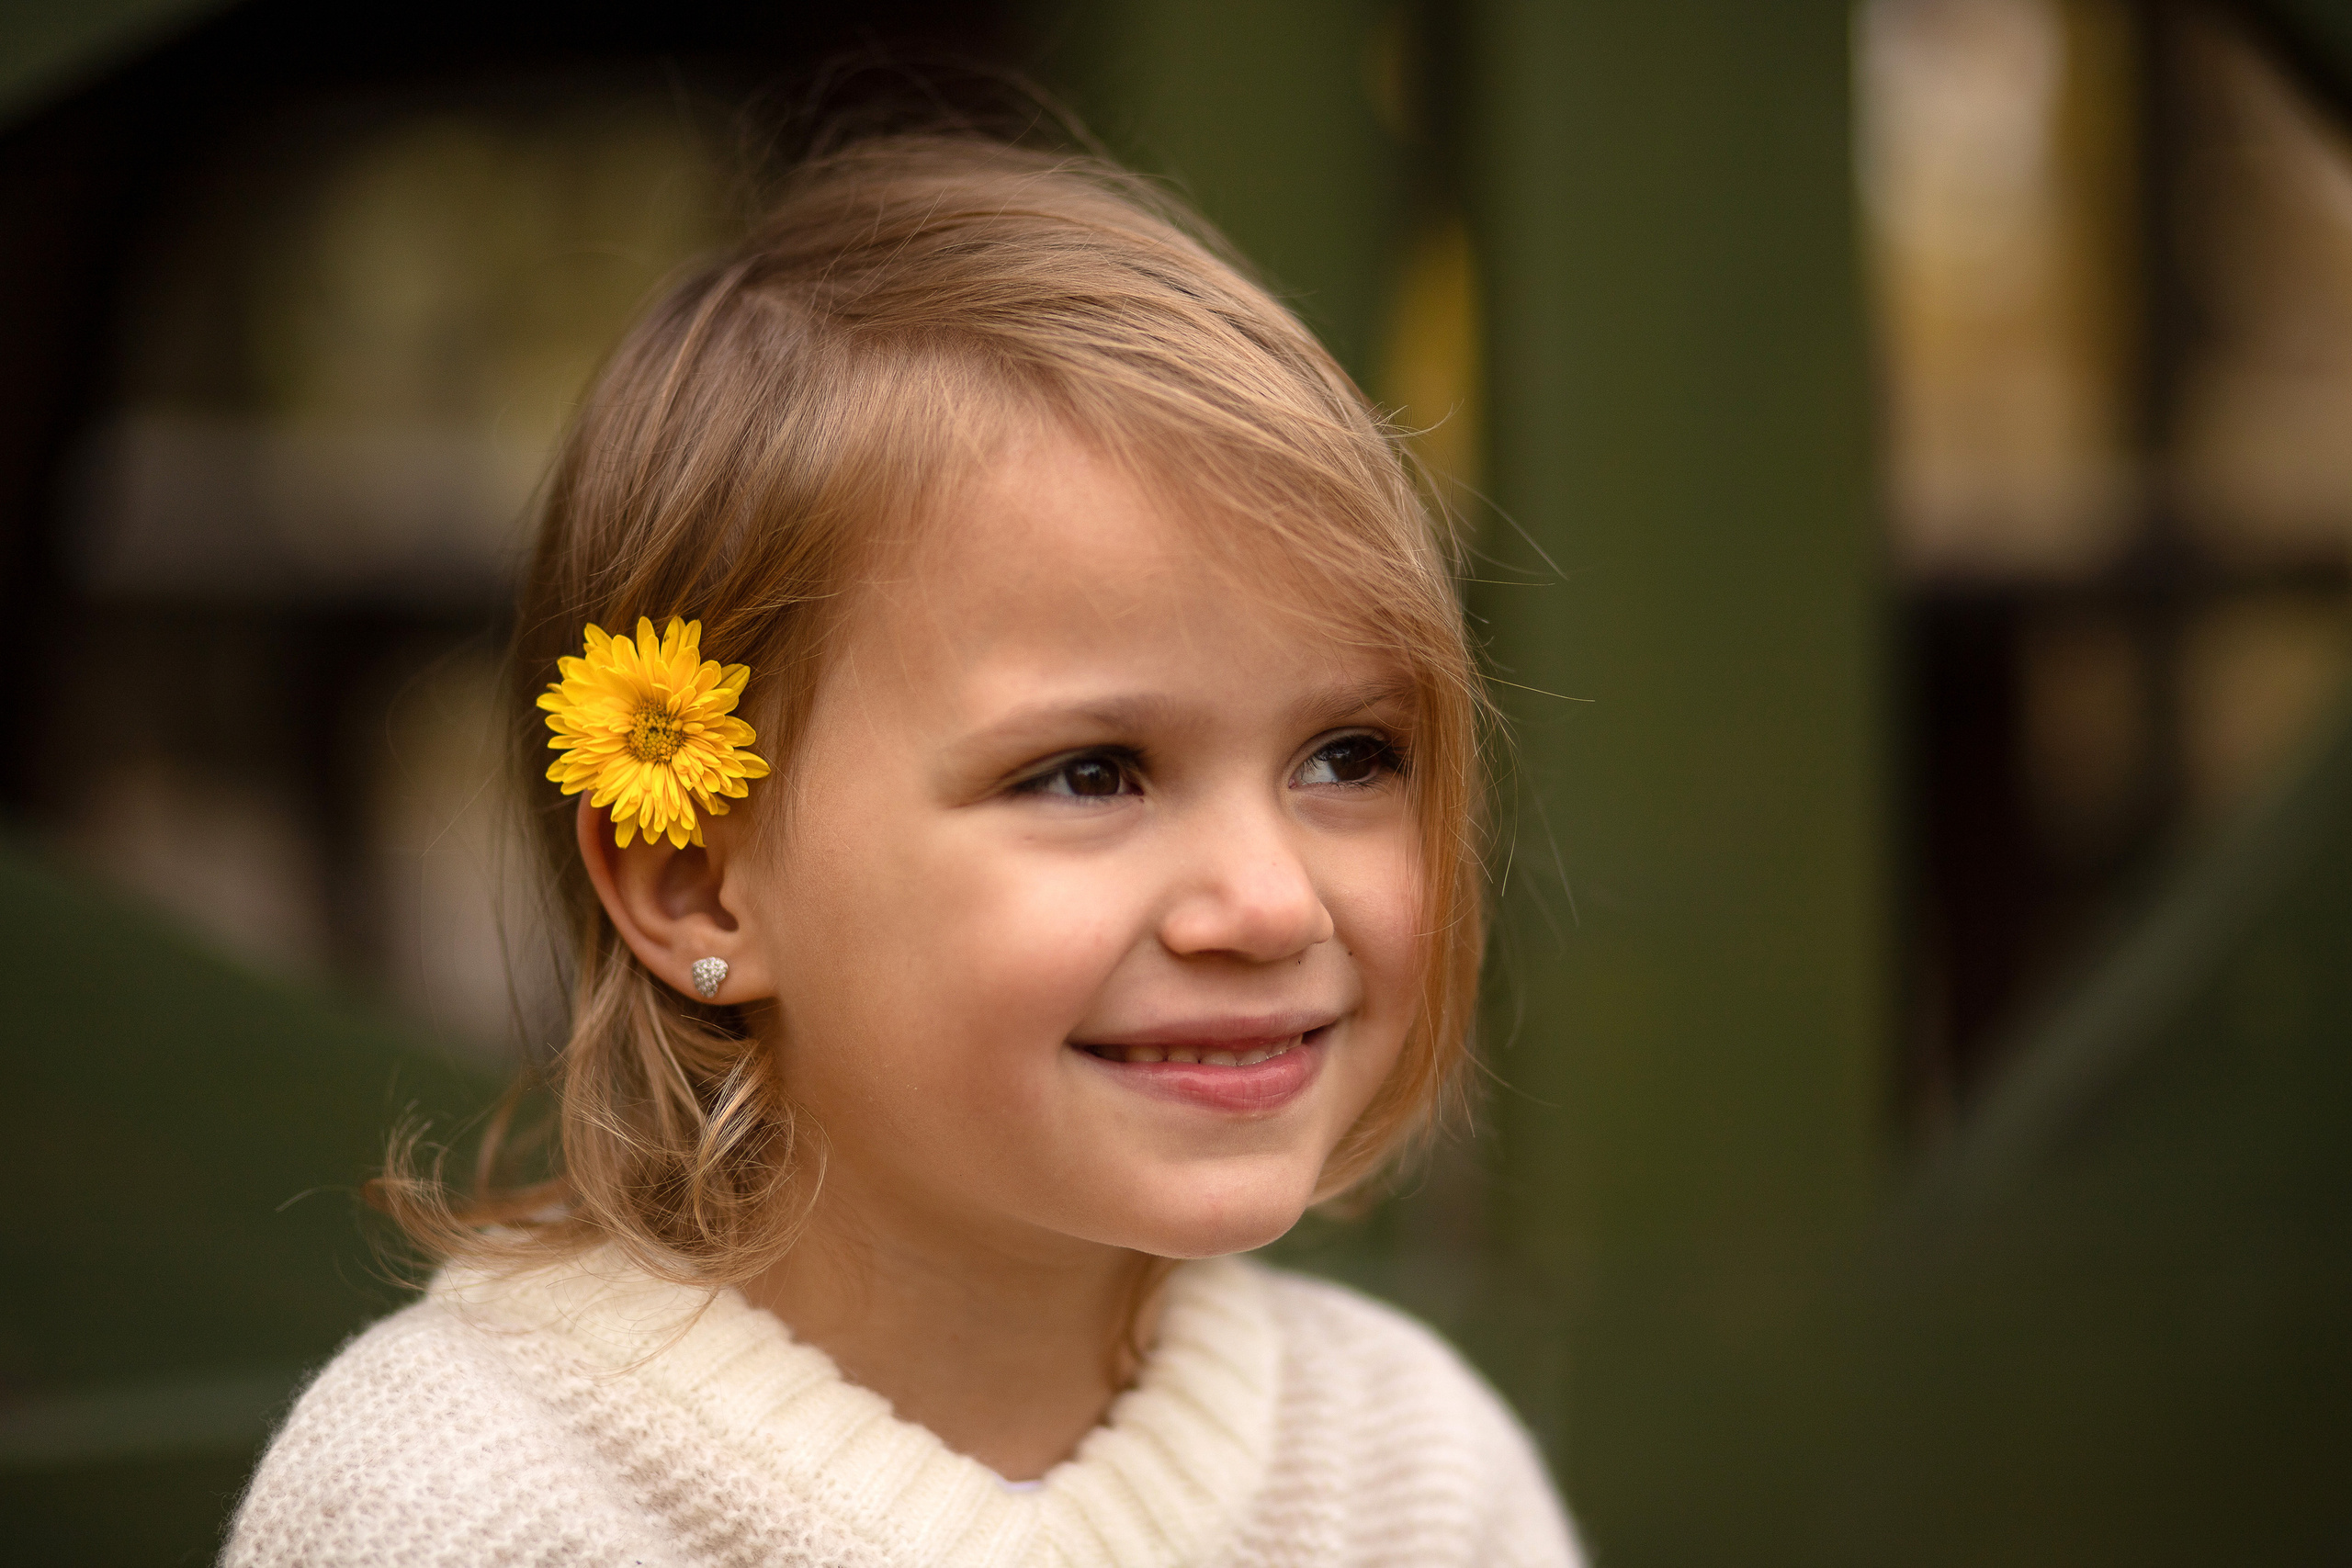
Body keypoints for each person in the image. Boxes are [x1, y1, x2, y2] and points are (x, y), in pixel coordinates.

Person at [224, 130, 1580, 1568]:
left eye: (1348, 757)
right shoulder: (466, 1508)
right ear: (696, 880)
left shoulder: (1409, 1467)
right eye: (1090, 773)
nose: (1265, 900)